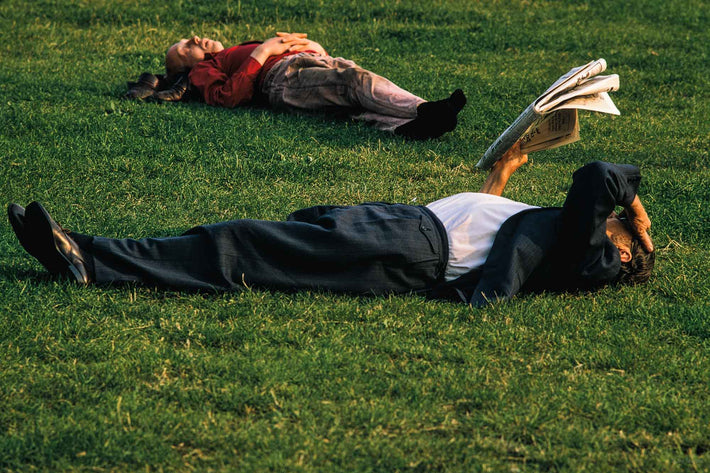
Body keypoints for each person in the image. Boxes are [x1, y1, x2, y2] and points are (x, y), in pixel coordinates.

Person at [7, 143, 654, 306]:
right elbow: (496, 236)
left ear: (627, 256)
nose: (611, 224)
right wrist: (500, 181)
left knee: (244, 243)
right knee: (252, 239)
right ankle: (86, 255)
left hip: (410, 243)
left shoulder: (593, 251)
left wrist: (633, 204)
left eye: (622, 235)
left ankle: (88, 257)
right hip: (406, 224)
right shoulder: (571, 240)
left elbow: (597, 175)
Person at [129, 32, 467, 140]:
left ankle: (408, 126)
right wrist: (265, 50)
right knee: (352, 84)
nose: (196, 38)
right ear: (186, 67)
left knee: (354, 105)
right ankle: (426, 109)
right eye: (188, 47)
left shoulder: (229, 53)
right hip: (282, 78)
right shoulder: (205, 69)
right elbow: (229, 97)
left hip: (308, 63)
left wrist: (315, 48)